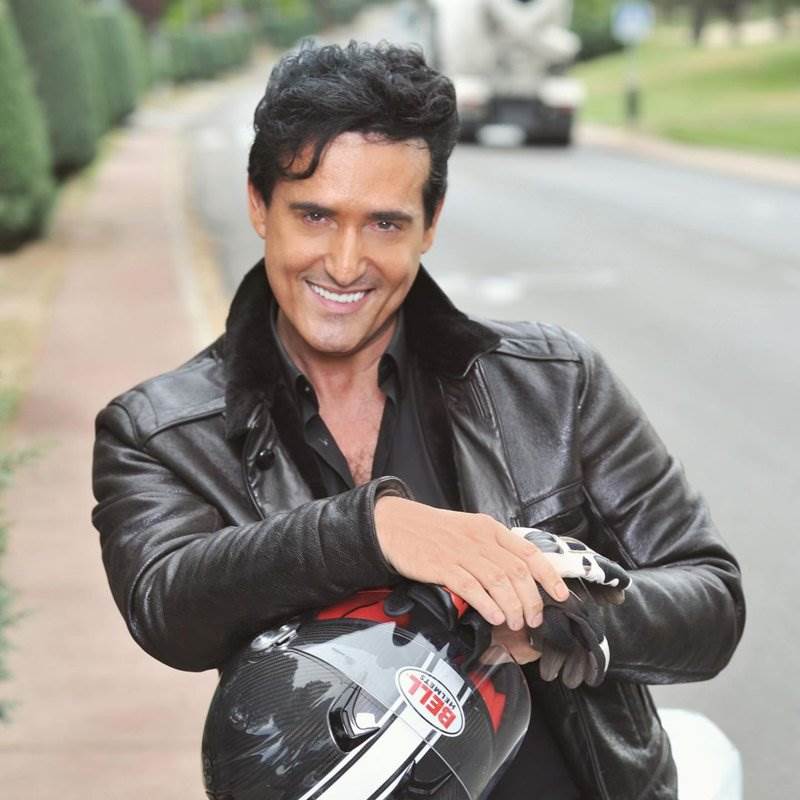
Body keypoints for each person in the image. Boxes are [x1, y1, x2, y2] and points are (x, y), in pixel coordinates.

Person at [92, 42, 745, 799]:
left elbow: (712, 598)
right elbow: (169, 606)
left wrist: (569, 614)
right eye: (315, 215)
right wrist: (373, 532)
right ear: (258, 205)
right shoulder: (160, 431)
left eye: (385, 224)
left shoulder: (556, 380)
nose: (344, 263)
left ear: (430, 224)